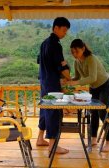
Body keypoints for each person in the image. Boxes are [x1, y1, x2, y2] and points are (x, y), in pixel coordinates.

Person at [66, 39, 109, 151]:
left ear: (83, 49)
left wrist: (75, 83)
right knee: (93, 112)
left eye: (76, 51)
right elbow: (77, 78)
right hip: (94, 87)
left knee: (103, 112)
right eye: (72, 52)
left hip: (105, 85)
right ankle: (93, 139)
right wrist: (68, 80)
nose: (74, 54)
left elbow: (93, 77)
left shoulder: (91, 58)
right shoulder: (76, 62)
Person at [36, 17, 71, 154]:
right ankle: (53, 145)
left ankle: (40, 138)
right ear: (55, 28)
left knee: (45, 109)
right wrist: (69, 75)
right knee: (54, 112)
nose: (65, 33)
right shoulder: (56, 45)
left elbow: (40, 60)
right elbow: (61, 67)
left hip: (44, 81)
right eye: (63, 30)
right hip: (52, 83)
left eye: (66, 31)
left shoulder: (44, 43)